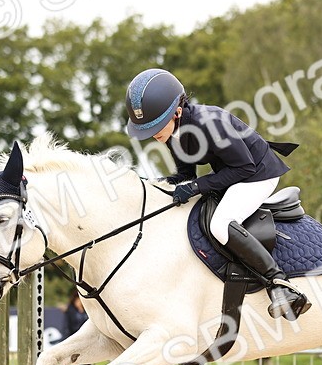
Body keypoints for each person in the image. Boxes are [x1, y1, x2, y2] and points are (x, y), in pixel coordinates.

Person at [125, 68, 311, 321]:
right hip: (233, 173)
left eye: (156, 126)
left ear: (177, 112)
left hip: (258, 175)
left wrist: (196, 187)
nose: (153, 135)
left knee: (220, 225)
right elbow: (185, 173)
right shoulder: (172, 131)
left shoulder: (209, 123)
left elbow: (245, 167)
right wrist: (158, 186)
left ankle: (279, 283)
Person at [61, 293, 89, 365]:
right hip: (72, 340)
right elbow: (66, 326)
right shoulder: (70, 311)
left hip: (82, 341)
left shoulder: (86, 310)